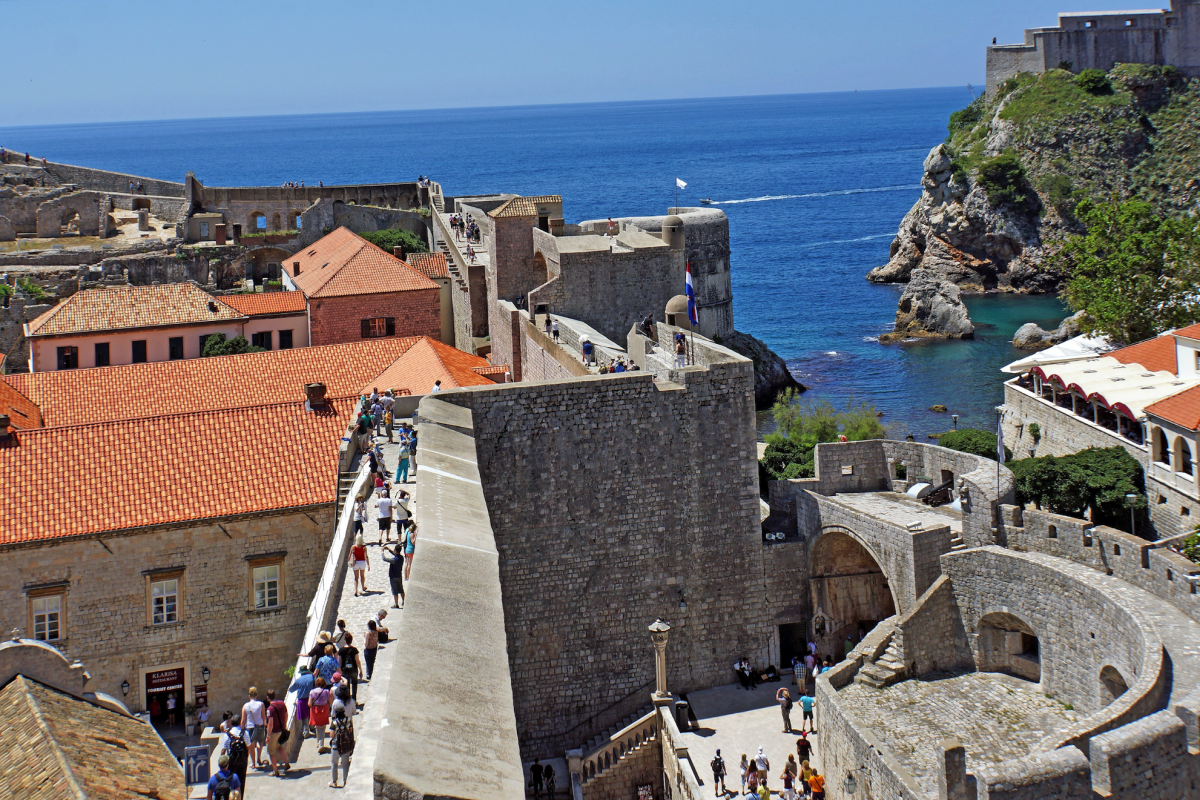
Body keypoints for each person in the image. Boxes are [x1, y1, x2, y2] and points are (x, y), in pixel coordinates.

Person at [265, 688, 291, 776]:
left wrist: (268, 736)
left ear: (267, 698)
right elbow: (286, 715)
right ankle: (286, 763)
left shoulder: (269, 709)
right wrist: (284, 725)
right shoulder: (282, 703)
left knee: (271, 752)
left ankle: (275, 771)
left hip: (274, 732)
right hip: (281, 730)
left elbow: (270, 724)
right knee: (279, 747)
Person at [239, 687, 266, 769]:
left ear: (249, 696)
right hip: (260, 726)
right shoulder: (261, 704)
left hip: (250, 727)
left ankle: (253, 763)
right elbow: (263, 717)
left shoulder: (246, 706)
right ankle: (259, 758)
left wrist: (242, 730)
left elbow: (243, 720)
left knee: (251, 746)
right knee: (260, 742)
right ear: (256, 695)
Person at [328, 705, 355, 789]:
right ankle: (345, 781)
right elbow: (350, 731)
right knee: (345, 764)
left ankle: (334, 781)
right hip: (345, 745)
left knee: (334, 764)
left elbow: (331, 735)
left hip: (336, 746)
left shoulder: (334, 722)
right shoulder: (349, 720)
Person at [288, 664, 315, 737]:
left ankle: (306, 733)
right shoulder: (312, 677)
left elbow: (291, 690)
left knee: (304, 717)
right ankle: (312, 727)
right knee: (311, 713)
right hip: (311, 698)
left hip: (302, 700)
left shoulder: (298, 680)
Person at [309, 677, 332, 753]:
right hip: (324, 709)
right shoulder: (326, 691)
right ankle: (321, 746)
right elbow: (330, 702)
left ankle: (318, 742)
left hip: (315, 710)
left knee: (317, 726)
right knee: (322, 727)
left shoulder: (312, 692)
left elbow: (309, 704)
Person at [339, 632, 363, 703]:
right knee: (354, 684)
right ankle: (354, 699)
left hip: (345, 670)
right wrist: (360, 670)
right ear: (351, 640)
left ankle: (348, 700)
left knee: (347, 685)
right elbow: (357, 661)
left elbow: (339, 662)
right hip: (354, 670)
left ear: (345, 640)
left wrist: (339, 671)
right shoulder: (354, 650)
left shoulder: (341, 650)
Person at [383, 543, 405, 609]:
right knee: (401, 589)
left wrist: (382, 552)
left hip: (393, 577)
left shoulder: (393, 560)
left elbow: (384, 559)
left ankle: (396, 604)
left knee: (395, 591)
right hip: (399, 576)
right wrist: (389, 550)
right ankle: (404, 601)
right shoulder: (401, 558)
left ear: (395, 550)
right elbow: (396, 554)